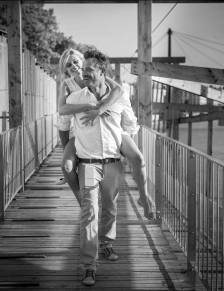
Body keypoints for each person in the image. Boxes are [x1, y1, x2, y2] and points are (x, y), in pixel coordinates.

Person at [57, 48, 154, 220]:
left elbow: (118, 90)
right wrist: (69, 151)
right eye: (68, 65)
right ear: (65, 70)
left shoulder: (100, 76)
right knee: (66, 165)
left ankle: (144, 197)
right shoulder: (68, 86)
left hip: (111, 129)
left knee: (138, 158)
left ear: (83, 62)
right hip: (81, 132)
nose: (74, 67)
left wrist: (102, 108)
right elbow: (62, 112)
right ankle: (84, 202)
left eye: (76, 62)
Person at [66, 50, 127, 286]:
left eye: (90, 68)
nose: (84, 71)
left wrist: (130, 149)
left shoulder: (119, 96)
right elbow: (62, 120)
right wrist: (67, 156)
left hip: (112, 163)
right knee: (89, 214)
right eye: (84, 68)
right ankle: (88, 266)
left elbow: (129, 122)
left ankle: (107, 244)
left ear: (102, 71)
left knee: (110, 208)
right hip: (88, 164)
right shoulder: (77, 98)